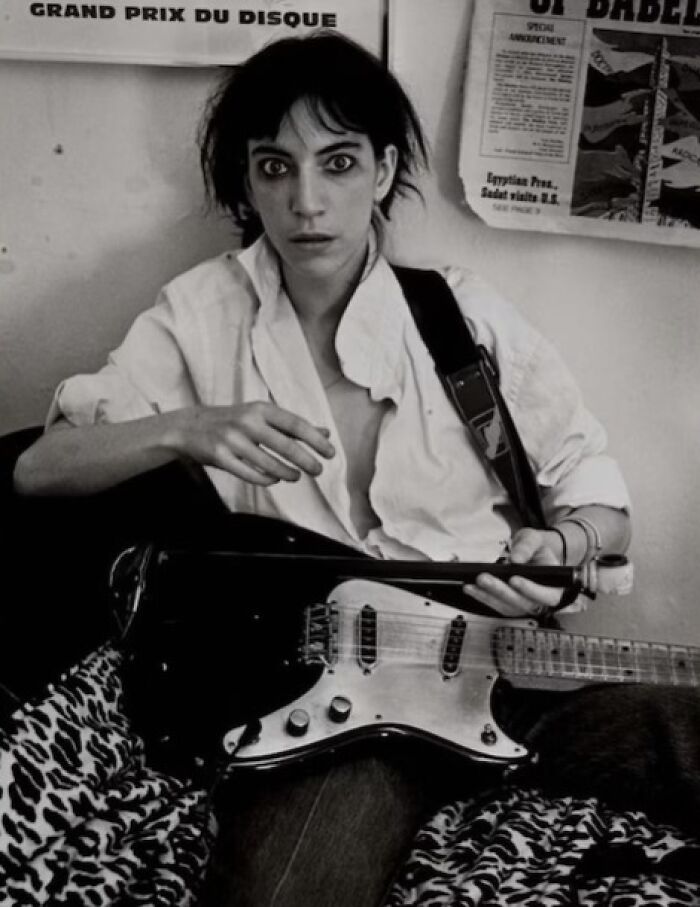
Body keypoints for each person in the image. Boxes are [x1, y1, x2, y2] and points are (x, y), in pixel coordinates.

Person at [13, 30, 631, 906]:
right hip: (335, 708)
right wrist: (187, 428)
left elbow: (602, 499)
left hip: (506, 670)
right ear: (248, 183)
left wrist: (560, 542)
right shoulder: (200, 314)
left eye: (337, 163)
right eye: (275, 167)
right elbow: (41, 469)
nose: (307, 202)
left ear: (380, 171)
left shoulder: (461, 318)